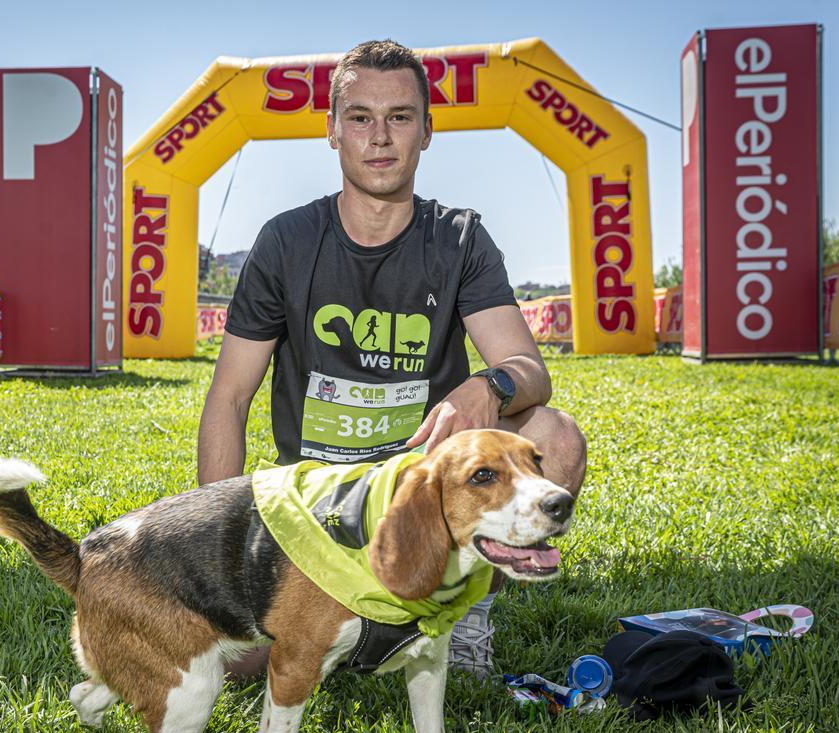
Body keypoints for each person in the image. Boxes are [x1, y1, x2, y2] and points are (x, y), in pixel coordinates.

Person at [197, 40, 588, 679]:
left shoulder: (457, 237)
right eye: (360, 118)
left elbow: (529, 368)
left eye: (400, 117)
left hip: (424, 495)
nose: (380, 138)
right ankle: (368, 622)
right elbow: (230, 397)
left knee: (553, 434)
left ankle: (458, 621)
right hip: (318, 504)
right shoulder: (286, 241)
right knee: (237, 662)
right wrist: (220, 552)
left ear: (427, 131)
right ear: (332, 131)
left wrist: (487, 385)